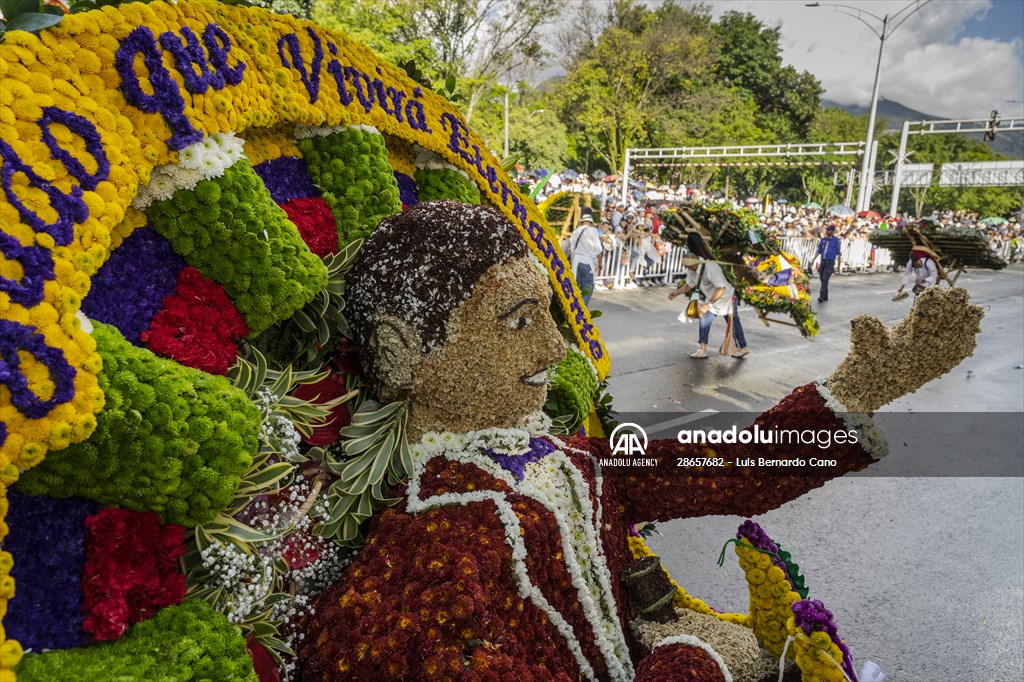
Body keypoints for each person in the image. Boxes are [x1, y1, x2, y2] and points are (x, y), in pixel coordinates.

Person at [297, 200, 983, 681]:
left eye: (550, 315)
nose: (553, 345)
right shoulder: (424, 551)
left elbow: (728, 468)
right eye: (516, 321)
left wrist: (852, 394)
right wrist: (697, 658)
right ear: (401, 353)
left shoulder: (570, 462)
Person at [668, 255, 748, 359]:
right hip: (712, 298)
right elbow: (688, 285)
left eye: (689, 266)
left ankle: (743, 347)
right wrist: (676, 293)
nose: (688, 268)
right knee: (704, 320)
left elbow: (722, 288)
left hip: (726, 297)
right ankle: (702, 350)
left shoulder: (711, 267)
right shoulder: (692, 269)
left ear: (695, 262)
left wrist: (708, 305)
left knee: (732, 322)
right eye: (686, 266)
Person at [568, 208, 604, 306]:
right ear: (591, 222)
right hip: (588, 262)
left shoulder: (576, 231)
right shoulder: (593, 230)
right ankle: (582, 309)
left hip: (576, 261)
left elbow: (571, 247)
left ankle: (574, 308)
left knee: (576, 287)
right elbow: (598, 249)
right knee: (588, 287)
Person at [813, 224, 842, 302]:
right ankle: (825, 294)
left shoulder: (836, 240)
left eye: (829, 230)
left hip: (830, 262)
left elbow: (839, 253)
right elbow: (819, 250)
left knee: (825, 278)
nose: (827, 231)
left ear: (832, 231)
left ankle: (821, 296)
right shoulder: (823, 240)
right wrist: (813, 260)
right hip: (823, 261)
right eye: (827, 230)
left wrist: (838, 265)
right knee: (822, 278)